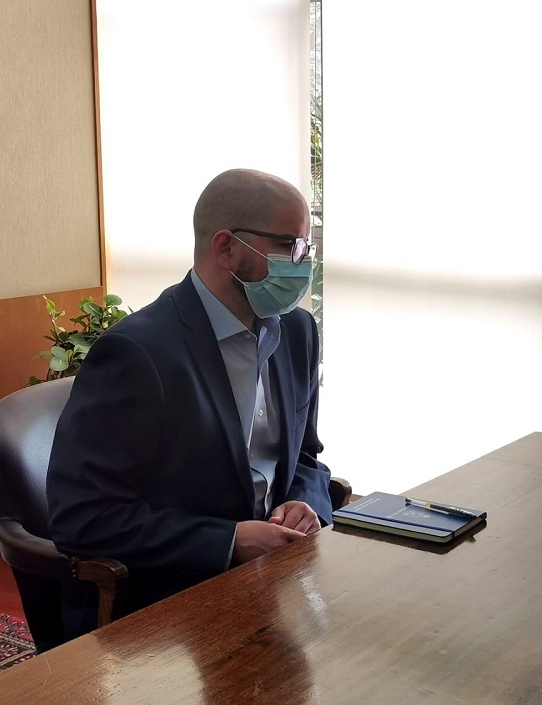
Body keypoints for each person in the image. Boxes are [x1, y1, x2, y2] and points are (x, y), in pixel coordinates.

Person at [47, 169, 334, 636]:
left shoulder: (298, 332)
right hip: (169, 606)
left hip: (277, 581)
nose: (303, 265)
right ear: (226, 248)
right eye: (290, 246)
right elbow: (83, 518)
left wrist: (305, 502)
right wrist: (229, 541)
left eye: (306, 249)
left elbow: (304, 456)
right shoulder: (137, 354)